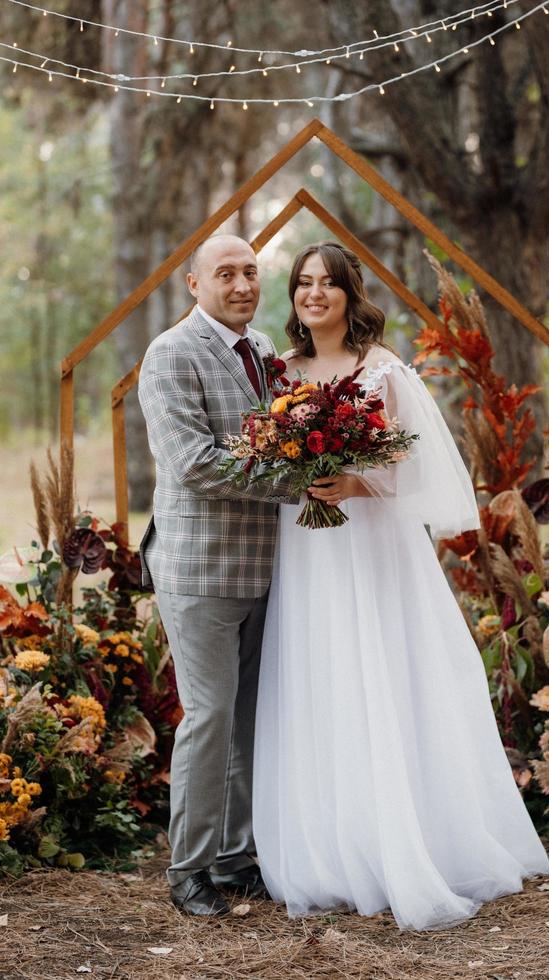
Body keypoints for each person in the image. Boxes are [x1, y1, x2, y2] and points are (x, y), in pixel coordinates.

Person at [252, 241, 549, 931]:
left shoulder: (381, 369)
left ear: (351, 295)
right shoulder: (281, 374)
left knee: (380, 673)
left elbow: (419, 470)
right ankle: (330, 847)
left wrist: (356, 480)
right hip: (307, 545)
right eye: (303, 284)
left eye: (329, 284)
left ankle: (410, 840)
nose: (314, 295)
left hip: (373, 545)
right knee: (319, 673)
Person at [138, 235, 293, 916]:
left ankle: (235, 856)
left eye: (250, 272)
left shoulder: (263, 354)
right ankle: (189, 870)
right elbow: (195, 463)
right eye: (225, 274)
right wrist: (301, 483)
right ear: (194, 285)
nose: (241, 285)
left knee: (248, 721)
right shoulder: (170, 355)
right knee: (208, 716)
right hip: (200, 568)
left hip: (267, 570)